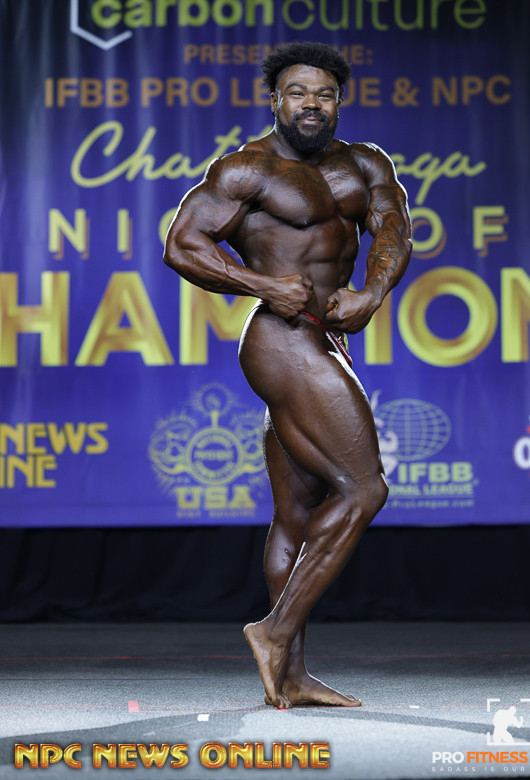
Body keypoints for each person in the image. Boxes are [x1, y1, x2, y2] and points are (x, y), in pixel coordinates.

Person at [164, 41, 412, 709]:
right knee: (364, 488)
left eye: (324, 94)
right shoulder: (248, 168)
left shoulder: (365, 163)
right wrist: (261, 285)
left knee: (297, 512)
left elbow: (394, 229)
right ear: (276, 100)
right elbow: (181, 244)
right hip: (282, 338)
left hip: (327, 337)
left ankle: (292, 677)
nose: (311, 104)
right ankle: (273, 632)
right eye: (298, 92)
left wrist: (374, 292)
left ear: (339, 102)